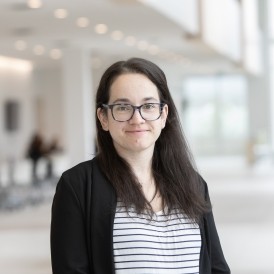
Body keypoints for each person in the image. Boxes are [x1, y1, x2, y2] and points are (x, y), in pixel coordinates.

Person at [50, 57, 230, 274]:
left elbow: (217, 267)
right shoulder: (78, 186)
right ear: (103, 117)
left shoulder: (192, 183)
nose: (137, 119)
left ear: (163, 115)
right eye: (123, 107)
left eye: (149, 105)